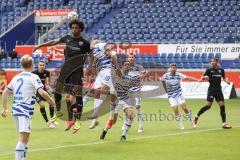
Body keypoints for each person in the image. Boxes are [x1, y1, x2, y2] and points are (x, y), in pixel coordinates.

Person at [33, 19, 91, 134]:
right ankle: (63, 116)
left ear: (80, 29)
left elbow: (91, 54)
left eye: (76, 27)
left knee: (77, 95)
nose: (74, 29)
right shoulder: (67, 38)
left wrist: (91, 68)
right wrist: (40, 45)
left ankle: (78, 121)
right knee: (62, 94)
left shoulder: (84, 43)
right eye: (72, 27)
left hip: (77, 71)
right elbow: (54, 42)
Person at [1, 55, 55, 160]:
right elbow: (42, 92)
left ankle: (23, 158)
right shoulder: (33, 77)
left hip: (16, 110)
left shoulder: (16, 77)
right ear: (32, 64)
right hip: (24, 111)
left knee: (26, 137)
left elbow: (5, 92)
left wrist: (5, 109)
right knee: (22, 138)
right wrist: (51, 101)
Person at [100, 61, 141, 141]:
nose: (127, 66)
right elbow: (108, 85)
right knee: (113, 120)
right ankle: (105, 130)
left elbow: (132, 87)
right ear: (122, 67)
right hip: (115, 100)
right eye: (125, 65)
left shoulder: (129, 78)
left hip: (125, 100)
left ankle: (123, 135)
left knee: (131, 115)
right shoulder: (117, 75)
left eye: (128, 65)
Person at [87, 40, 121, 129]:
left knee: (107, 93)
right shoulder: (93, 53)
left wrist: (117, 68)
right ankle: (95, 119)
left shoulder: (100, 46)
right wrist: (94, 76)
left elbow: (113, 53)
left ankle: (102, 113)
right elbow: (93, 66)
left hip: (109, 71)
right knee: (97, 93)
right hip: (102, 73)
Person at [194, 58, 232, 129]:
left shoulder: (221, 70)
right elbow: (203, 77)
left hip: (219, 91)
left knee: (222, 106)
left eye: (213, 61)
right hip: (211, 90)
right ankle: (197, 116)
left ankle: (224, 124)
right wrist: (203, 78)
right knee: (208, 106)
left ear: (217, 62)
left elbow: (224, 77)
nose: (212, 62)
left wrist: (226, 81)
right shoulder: (208, 70)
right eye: (211, 61)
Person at [161, 63, 199, 130]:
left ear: (176, 68)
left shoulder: (179, 75)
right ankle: (180, 124)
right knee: (175, 109)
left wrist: (197, 80)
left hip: (179, 94)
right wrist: (166, 90)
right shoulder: (166, 75)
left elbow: (187, 77)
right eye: (171, 67)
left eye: (174, 67)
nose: (172, 69)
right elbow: (162, 81)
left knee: (185, 108)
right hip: (171, 96)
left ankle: (191, 122)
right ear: (170, 68)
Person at [32, 60, 56, 128]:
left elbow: (47, 80)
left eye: (43, 65)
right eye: (40, 65)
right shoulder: (33, 73)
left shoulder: (47, 72)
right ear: (38, 66)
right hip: (37, 91)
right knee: (42, 105)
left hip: (44, 90)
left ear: (45, 66)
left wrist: (48, 85)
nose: (42, 66)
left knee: (51, 103)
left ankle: (52, 119)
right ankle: (47, 122)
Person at [127, 53, 146, 133]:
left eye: (132, 57)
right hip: (129, 89)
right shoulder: (126, 66)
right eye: (130, 57)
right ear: (128, 58)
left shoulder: (139, 66)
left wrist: (141, 79)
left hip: (137, 88)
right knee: (129, 107)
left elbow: (143, 74)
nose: (131, 58)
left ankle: (141, 125)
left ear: (134, 59)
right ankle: (127, 123)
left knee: (138, 107)